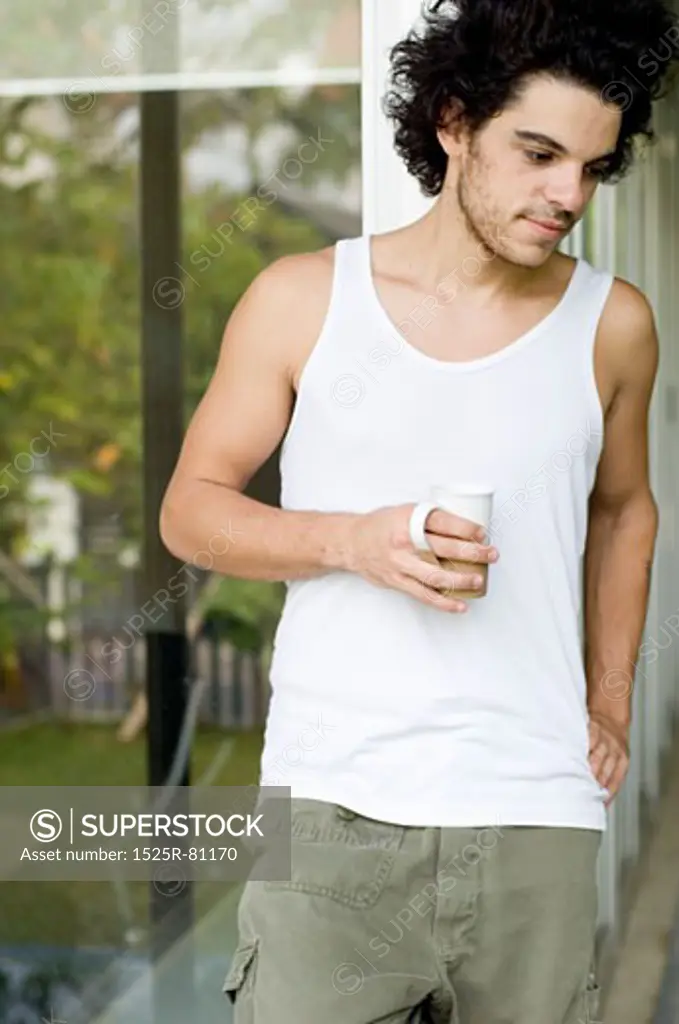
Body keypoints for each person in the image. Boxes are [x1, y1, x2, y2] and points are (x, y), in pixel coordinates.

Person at [160, 0, 679, 1019]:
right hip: (328, 811)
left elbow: (625, 512)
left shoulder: (612, 326)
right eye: (537, 153)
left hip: (534, 811)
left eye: (590, 166)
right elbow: (190, 511)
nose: (566, 192)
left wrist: (610, 702)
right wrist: (352, 541)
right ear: (452, 120)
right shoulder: (302, 299)